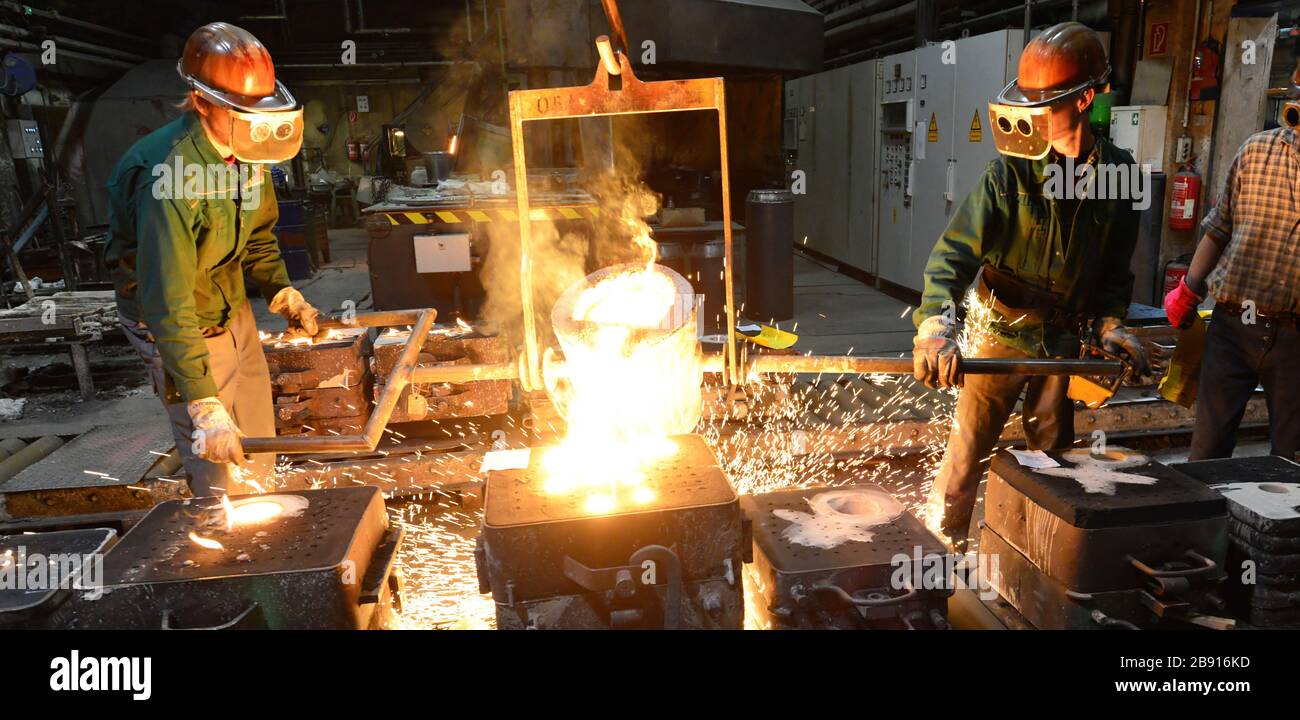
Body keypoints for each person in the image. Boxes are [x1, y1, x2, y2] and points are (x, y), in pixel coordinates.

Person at [912, 22, 1149, 549]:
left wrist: (1110, 324)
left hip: (1063, 347)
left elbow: (1114, 270)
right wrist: (935, 324)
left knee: (1054, 466)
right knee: (965, 457)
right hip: (998, 336)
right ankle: (940, 553)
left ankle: (1041, 559)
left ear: (1085, 98)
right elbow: (953, 256)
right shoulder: (1009, 175)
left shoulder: (1120, 175)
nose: (1029, 113)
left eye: (1043, 103)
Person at [105, 22, 323, 495]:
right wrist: (202, 401)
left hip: (228, 301)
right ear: (201, 102)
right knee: (216, 445)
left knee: (257, 430)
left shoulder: (247, 151)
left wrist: (280, 291)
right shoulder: (169, 176)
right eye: (241, 113)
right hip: (176, 317)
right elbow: (168, 300)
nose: (254, 126)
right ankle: (224, 538)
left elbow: (259, 235)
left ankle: (262, 513)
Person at [1164, 60, 1300, 462]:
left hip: (1295, 339)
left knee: (1290, 462)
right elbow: (1218, 229)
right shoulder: (1255, 152)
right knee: (1207, 452)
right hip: (1234, 323)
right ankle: (1202, 525)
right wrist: (1189, 287)